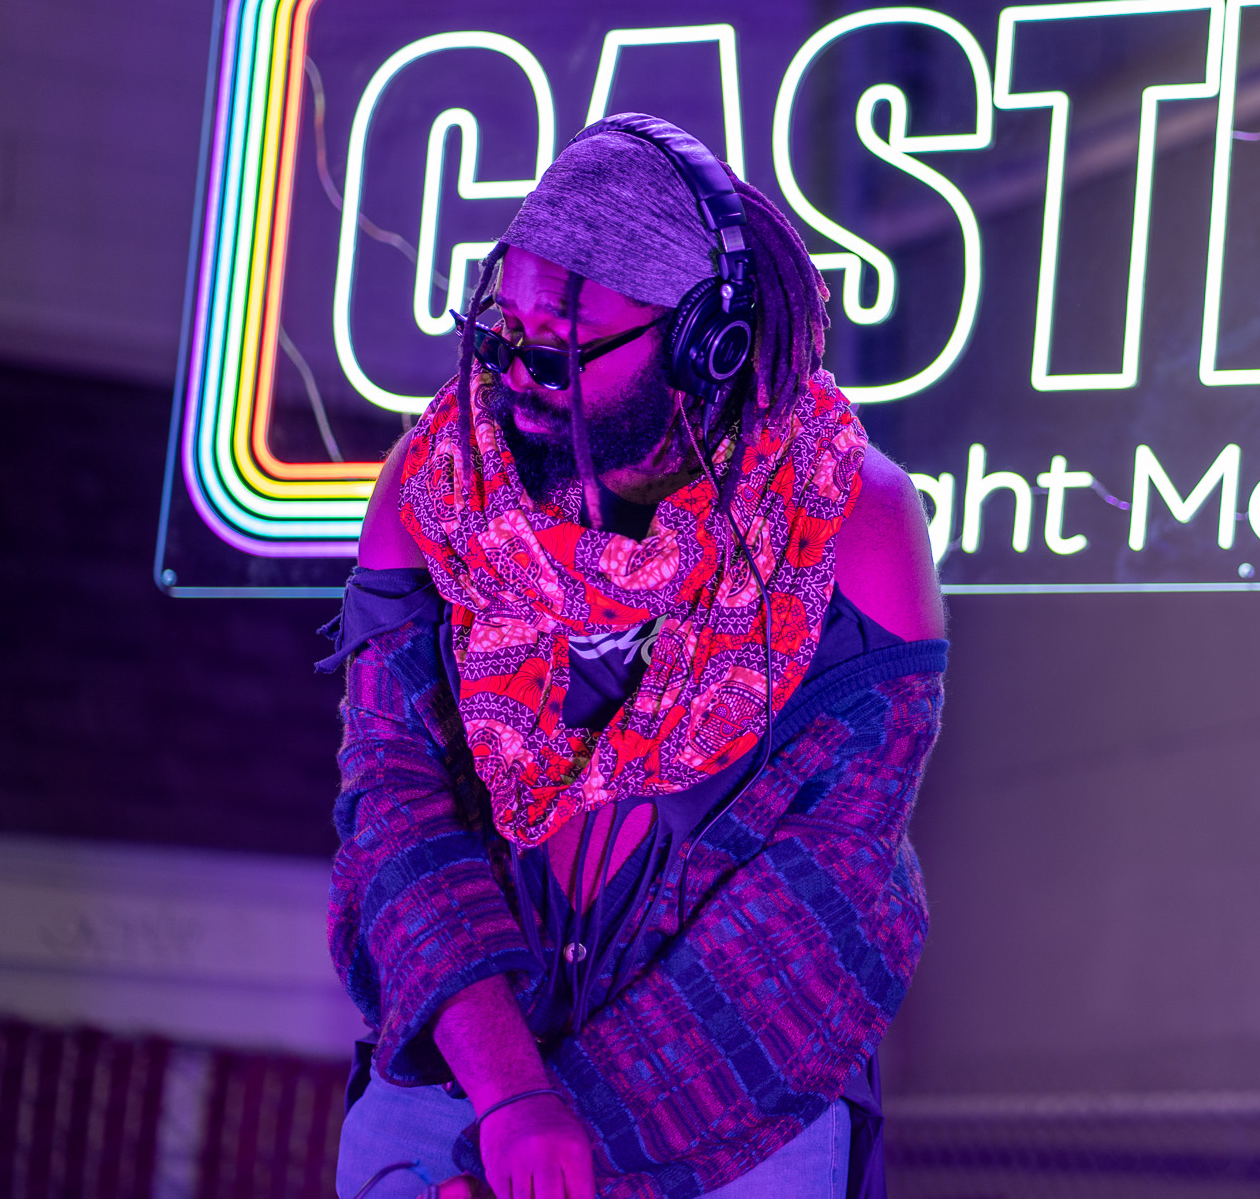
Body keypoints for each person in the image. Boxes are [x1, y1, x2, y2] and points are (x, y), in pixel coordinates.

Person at [320, 114, 946, 1199]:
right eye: (504, 331)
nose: (518, 373)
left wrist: (558, 1160)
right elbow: (395, 805)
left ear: (705, 343)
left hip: (739, 1110)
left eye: (563, 344)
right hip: (465, 1079)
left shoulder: (855, 523)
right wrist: (510, 1104)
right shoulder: (435, 488)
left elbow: (819, 893)